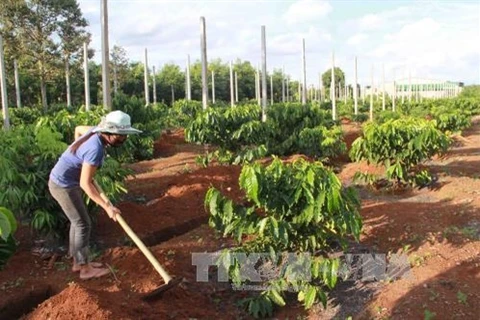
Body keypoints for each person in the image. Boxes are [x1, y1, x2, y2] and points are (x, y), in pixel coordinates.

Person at [48, 111, 142, 280]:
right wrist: (107, 207)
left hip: (66, 182)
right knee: (82, 223)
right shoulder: (95, 149)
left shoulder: (94, 131)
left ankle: (78, 262)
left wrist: (76, 153)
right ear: (109, 133)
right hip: (63, 186)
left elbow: (77, 129)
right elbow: (86, 184)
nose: (124, 140)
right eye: (121, 136)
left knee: (78, 222)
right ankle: (85, 269)